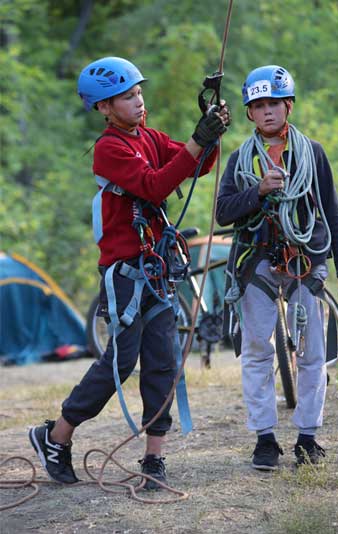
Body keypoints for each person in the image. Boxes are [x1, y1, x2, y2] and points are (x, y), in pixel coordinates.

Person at [28, 56, 230, 489]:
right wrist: (198, 140)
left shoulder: (149, 137)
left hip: (156, 265)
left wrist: (208, 134)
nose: (138, 101)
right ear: (104, 108)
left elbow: (196, 164)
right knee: (121, 361)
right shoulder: (110, 149)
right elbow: (156, 185)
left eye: (139, 92)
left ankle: (153, 457)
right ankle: (57, 434)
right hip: (124, 271)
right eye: (127, 96)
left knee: (163, 360)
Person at [216, 65, 338, 469]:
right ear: (249, 113)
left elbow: (331, 209)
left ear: (288, 106)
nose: (267, 112)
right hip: (256, 261)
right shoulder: (240, 159)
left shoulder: (311, 152)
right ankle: (264, 438)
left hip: (305, 259)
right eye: (258, 106)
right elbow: (224, 212)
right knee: (258, 350)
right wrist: (257, 192)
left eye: (274, 104)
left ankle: (307, 437)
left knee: (312, 350)